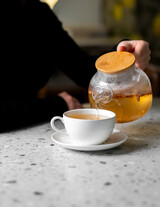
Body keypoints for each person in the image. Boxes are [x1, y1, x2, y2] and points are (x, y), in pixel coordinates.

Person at [0, 0, 151, 132]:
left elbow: (84, 70)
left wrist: (123, 53)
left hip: (31, 131)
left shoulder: (37, 12)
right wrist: (55, 105)